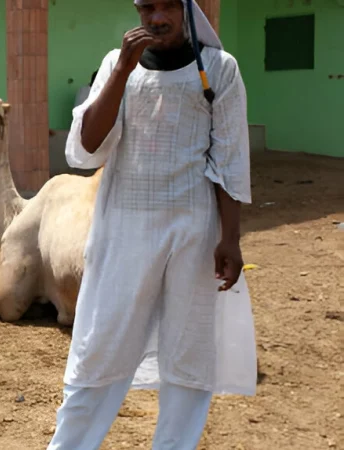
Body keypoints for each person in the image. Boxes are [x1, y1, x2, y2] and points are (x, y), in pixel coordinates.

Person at [47, 1, 256, 449]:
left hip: (193, 230)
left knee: (188, 350)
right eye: (146, 8)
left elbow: (230, 158)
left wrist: (230, 238)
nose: (155, 18)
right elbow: (86, 145)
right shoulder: (115, 63)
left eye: (166, 7)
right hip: (122, 229)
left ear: (185, 8)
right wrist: (123, 70)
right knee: (100, 345)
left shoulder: (219, 69)